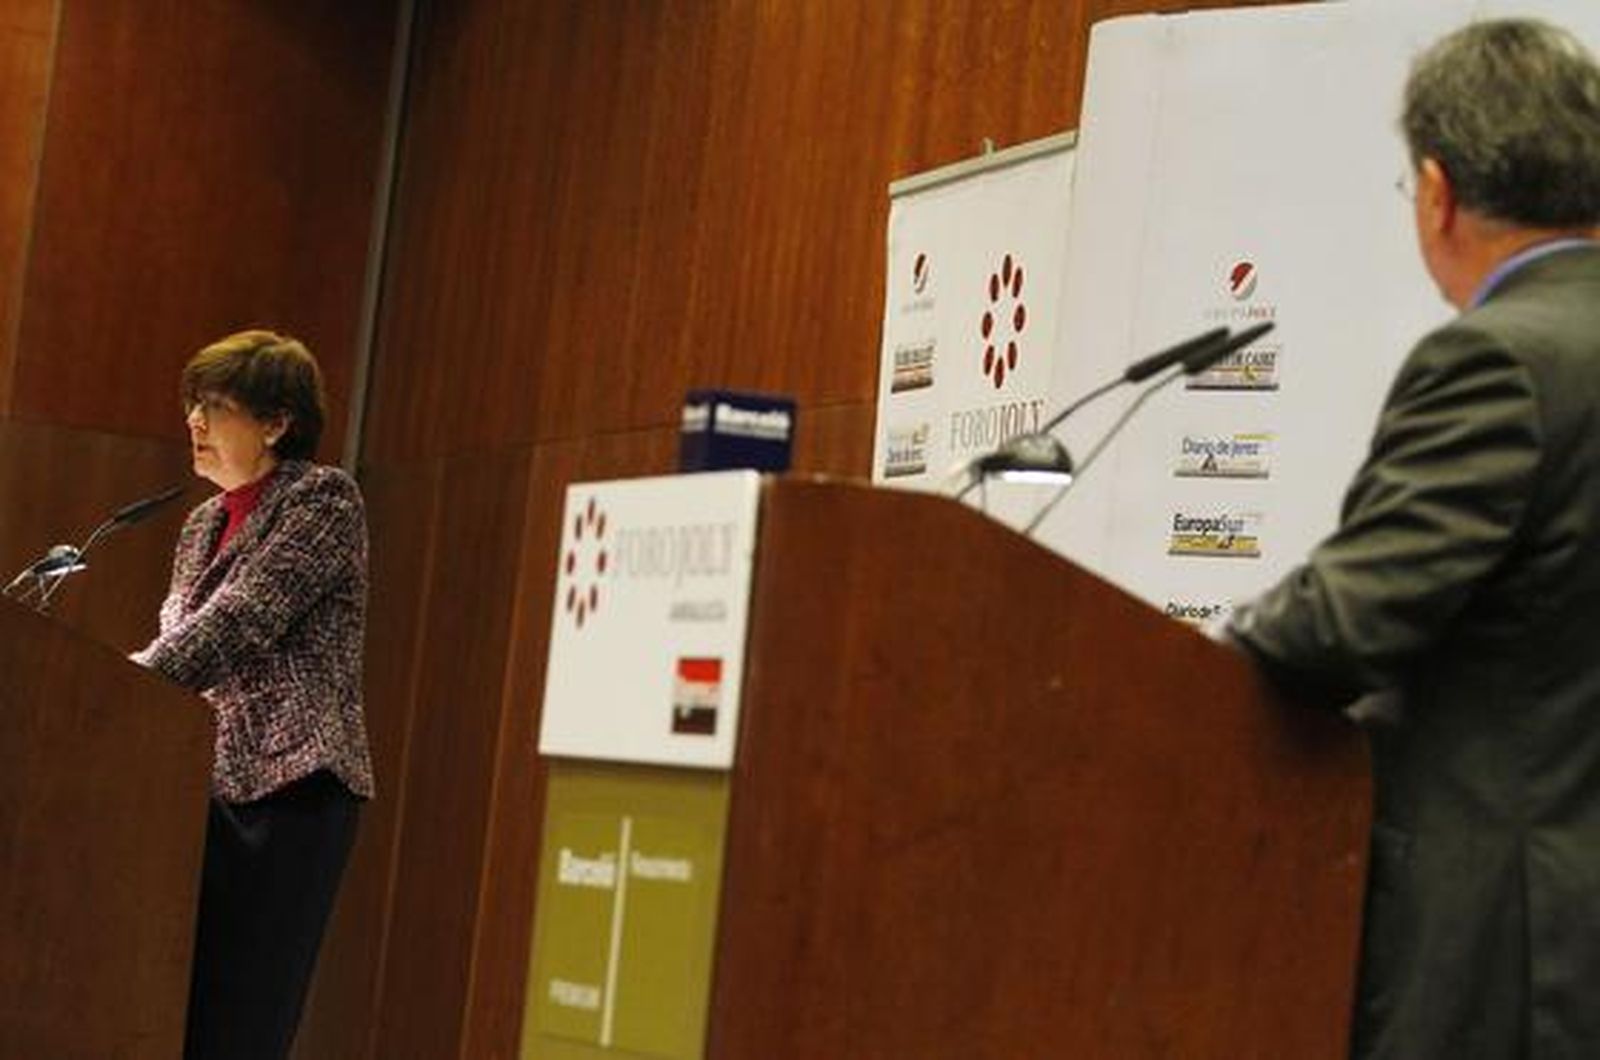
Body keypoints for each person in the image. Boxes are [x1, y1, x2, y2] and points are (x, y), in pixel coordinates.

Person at [1224, 17, 1600, 1060]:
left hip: (1506, 958)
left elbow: (1344, 622)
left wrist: (1197, 663)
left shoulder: (1496, 360)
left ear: (1435, 192)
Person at [132, 329, 374, 1060]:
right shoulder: (202, 522)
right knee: (173, 1009)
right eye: (190, 407)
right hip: (200, 791)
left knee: (240, 1020)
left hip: (289, 790)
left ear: (276, 421)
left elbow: (242, 620)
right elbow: (186, 637)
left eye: (214, 406)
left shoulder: (323, 500)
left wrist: (123, 684)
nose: (194, 423)